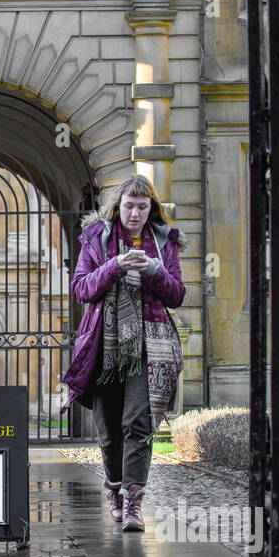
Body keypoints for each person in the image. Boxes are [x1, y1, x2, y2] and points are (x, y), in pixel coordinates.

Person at [62, 175, 185, 531]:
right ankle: (114, 488)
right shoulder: (96, 238)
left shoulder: (164, 242)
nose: (135, 213)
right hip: (104, 346)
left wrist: (153, 270)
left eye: (142, 207)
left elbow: (177, 294)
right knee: (109, 431)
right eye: (129, 206)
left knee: (139, 423)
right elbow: (81, 289)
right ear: (119, 206)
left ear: (151, 209)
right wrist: (114, 266)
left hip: (151, 345)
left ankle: (133, 502)